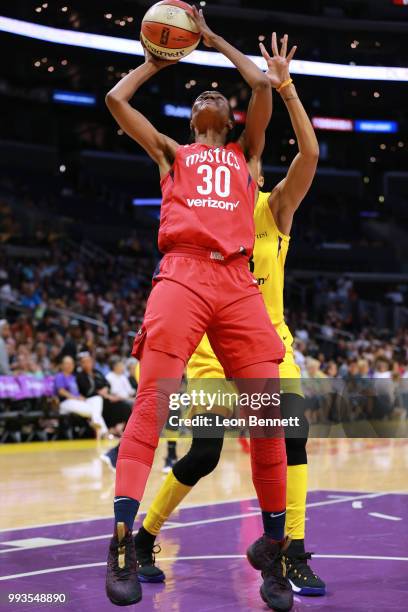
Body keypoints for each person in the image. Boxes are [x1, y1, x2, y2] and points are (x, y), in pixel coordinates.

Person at [105, 9, 291, 610]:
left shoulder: (247, 154)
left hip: (238, 283)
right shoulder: (170, 153)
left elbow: (261, 85)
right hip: (182, 274)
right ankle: (121, 541)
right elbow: (115, 98)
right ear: (190, 120)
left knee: (268, 423)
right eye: (201, 93)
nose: (212, 92)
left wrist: (211, 40)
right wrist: (154, 62)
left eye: (219, 93)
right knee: (152, 404)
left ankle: (274, 554)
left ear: (229, 118)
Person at [133, 33, 325, 597]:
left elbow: (310, 155)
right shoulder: (206, 201)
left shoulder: (275, 208)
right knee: (205, 451)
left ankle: (290, 554)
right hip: (209, 346)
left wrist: (285, 86)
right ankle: (144, 535)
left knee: (292, 438)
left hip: (267, 344)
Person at [55, 355, 107, 437]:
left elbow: (77, 392)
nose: (70, 365)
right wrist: (75, 398)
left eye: (71, 363)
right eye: (67, 363)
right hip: (65, 403)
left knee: (97, 398)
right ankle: (104, 432)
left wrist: (81, 397)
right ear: (62, 365)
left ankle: (102, 431)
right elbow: (61, 391)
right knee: (94, 411)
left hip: (77, 402)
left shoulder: (73, 377)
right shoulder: (60, 376)